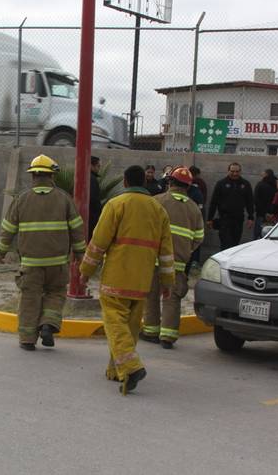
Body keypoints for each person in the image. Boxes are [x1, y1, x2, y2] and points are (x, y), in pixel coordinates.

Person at [79, 165, 175, 396]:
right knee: (130, 326)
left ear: (124, 181)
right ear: (144, 181)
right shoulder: (158, 210)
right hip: (142, 280)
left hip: (116, 277)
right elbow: (166, 251)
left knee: (115, 323)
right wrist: (167, 281)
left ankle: (131, 367)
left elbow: (98, 242)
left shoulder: (116, 205)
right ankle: (116, 370)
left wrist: (85, 271)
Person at [0, 154, 86, 351]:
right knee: (55, 293)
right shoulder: (64, 199)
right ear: (51, 176)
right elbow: (77, 229)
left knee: (30, 299)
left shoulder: (21, 200)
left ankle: (28, 340)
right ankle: (48, 324)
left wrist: (1, 252)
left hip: (31, 264)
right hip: (58, 264)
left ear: (33, 176)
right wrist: (81, 255)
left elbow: (8, 228)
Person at [141, 167, 204, 349]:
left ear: (170, 182)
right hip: (178, 263)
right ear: (188, 186)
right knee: (172, 298)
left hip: (155, 260)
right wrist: (186, 249)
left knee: (151, 295)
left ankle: (150, 331)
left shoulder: (157, 201)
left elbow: (144, 226)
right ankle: (167, 337)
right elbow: (199, 237)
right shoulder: (194, 209)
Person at [207, 162, 254, 251]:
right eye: (232, 171)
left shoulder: (245, 184)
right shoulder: (221, 183)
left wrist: (251, 217)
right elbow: (214, 202)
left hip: (238, 220)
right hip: (224, 219)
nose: (235, 174)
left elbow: (250, 202)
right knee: (225, 244)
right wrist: (210, 218)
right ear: (228, 171)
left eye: (237, 171)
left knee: (235, 245)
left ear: (240, 171)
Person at [189, 165, 207, 268]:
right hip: (198, 217)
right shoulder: (201, 183)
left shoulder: (196, 185)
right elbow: (203, 201)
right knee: (196, 241)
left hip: (189, 218)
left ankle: (194, 262)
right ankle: (195, 262)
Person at [253, 169, 278, 239]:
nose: (261, 175)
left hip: (261, 215)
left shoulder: (260, 184)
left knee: (258, 236)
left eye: (263, 174)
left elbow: (256, 200)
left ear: (266, 175)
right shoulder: (277, 185)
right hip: (273, 216)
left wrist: (264, 213)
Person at [89, 156, 102, 240]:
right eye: (98, 166)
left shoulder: (85, 176)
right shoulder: (92, 179)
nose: (99, 169)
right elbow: (93, 199)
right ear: (91, 166)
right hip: (92, 217)